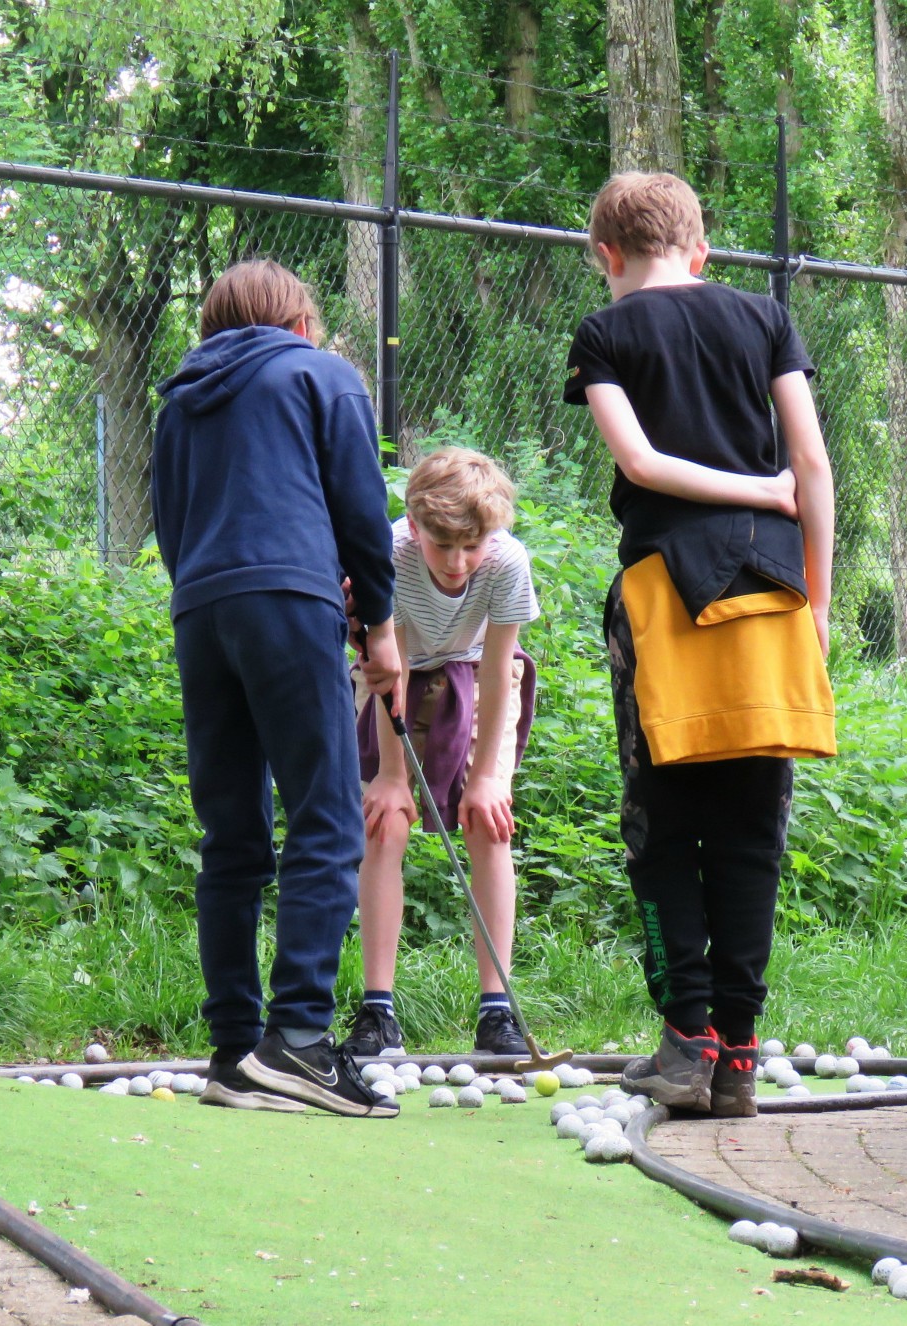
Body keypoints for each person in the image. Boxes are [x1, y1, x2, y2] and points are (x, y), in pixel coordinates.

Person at [563, 172, 837, 1118]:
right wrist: (820, 604)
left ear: (608, 255)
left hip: (663, 601)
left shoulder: (606, 333)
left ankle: (689, 1038)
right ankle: (741, 1059)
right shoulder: (763, 317)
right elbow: (810, 465)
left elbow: (637, 464)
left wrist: (748, 491)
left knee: (662, 825)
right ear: (701, 250)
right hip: (773, 592)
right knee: (754, 827)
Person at [151, 258, 404, 1118]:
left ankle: (233, 1053)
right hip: (290, 605)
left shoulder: (180, 402)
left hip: (201, 611)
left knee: (231, 833)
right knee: (328, 816)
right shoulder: (319, 373)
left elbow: (171, 524)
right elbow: (363, 510)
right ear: (299, 323)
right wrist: (381, 626)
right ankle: (296, 1040)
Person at [340, 447, 542, 1059]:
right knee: (385, 823)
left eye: (471, 546)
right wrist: (393, 777)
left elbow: (501, 663)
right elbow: (388, 660)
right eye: (442, 544)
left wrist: (485, 778)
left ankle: (496, 1014)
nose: (458, 562)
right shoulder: (393, 554)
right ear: (415, 523)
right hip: (391, 674)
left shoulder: (506, 560)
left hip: (477, 673)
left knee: (490, 822)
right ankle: (378, 1014)